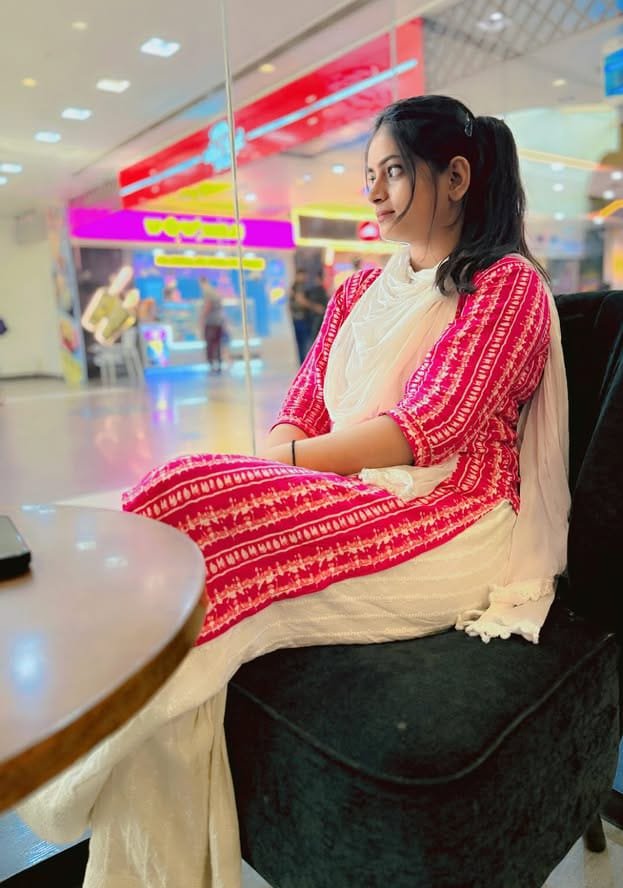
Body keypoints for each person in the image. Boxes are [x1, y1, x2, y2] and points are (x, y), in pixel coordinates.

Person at [18, 95, 570, 887]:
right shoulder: (356, 292)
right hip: (358, 490)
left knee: (193, 514)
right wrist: (276, 464)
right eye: (368, 173)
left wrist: (283, 468)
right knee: (180, 508)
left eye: (391, 172)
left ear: (455, 178)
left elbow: (430, 426)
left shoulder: (504, 285)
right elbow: (301, 405)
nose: (371, 191)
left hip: (448, 516)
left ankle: (74, 762)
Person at [198, 276, 226, 372]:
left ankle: (212, 364)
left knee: (211, 344)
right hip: (218, 322)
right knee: (217, 344)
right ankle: (218, 363)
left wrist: (202, 318)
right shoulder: (214, 290)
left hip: (211, 322)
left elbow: (208, 305)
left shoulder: (207, 291)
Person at [289, 267, 312, 363]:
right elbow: (301, 300)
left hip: (296, 318)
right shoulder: (299, 286)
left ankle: (302, 363)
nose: (305, 277)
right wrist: (315, 307)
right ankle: (305, 364)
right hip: (301, 318)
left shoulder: (293, 286)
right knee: (305, 343)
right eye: (303, 275)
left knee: (301, 344)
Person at [305, 268, 330, 344]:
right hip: (317, 319)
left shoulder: (321, 290)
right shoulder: (317, 290)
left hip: (319, 319)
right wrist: (316, 307)